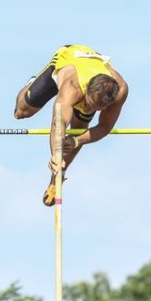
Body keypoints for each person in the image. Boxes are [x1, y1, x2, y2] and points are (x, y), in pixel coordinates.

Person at [14, 44, 129, 206]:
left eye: (98, 108)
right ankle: (32, 83)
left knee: (79, 128)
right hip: (66, 60)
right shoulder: (71, 88)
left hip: (92, 68)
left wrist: (76, 141)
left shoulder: (120, 91)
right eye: (90, 103)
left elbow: (104, 127)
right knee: (21, 112)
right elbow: (58, 125)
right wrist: (55, 154)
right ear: (87, 89)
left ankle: (57, 179)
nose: (91, 109)